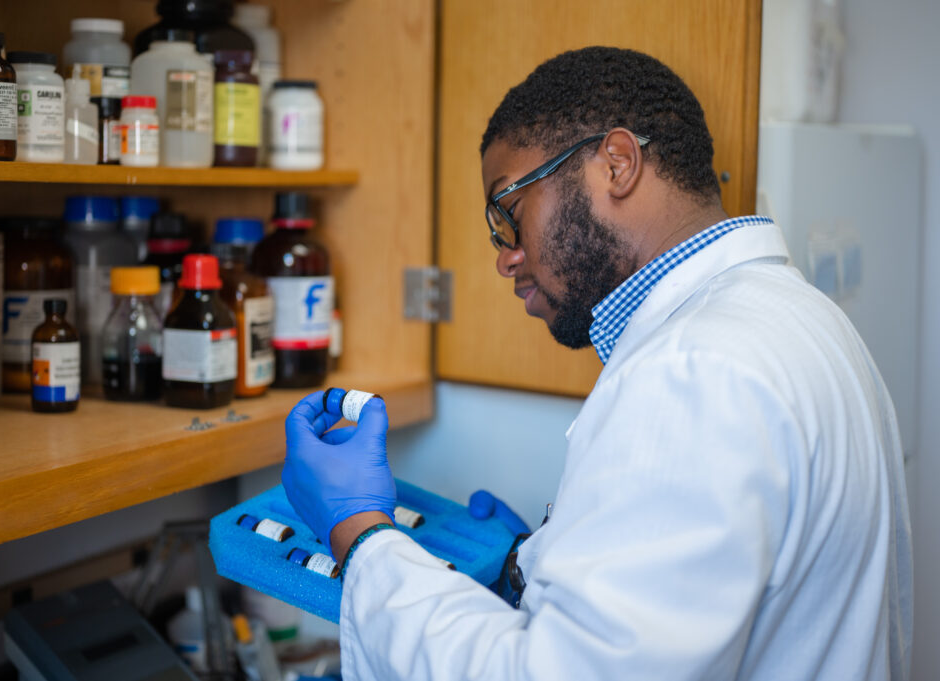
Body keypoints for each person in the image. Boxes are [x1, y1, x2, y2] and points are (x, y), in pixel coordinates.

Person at [281, 46, 912, 680]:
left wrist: (360, 534)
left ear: (616, 163)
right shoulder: (801, 318)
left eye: (509, 214)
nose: (505, 257)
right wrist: (544, 564)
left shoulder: (694, 373)